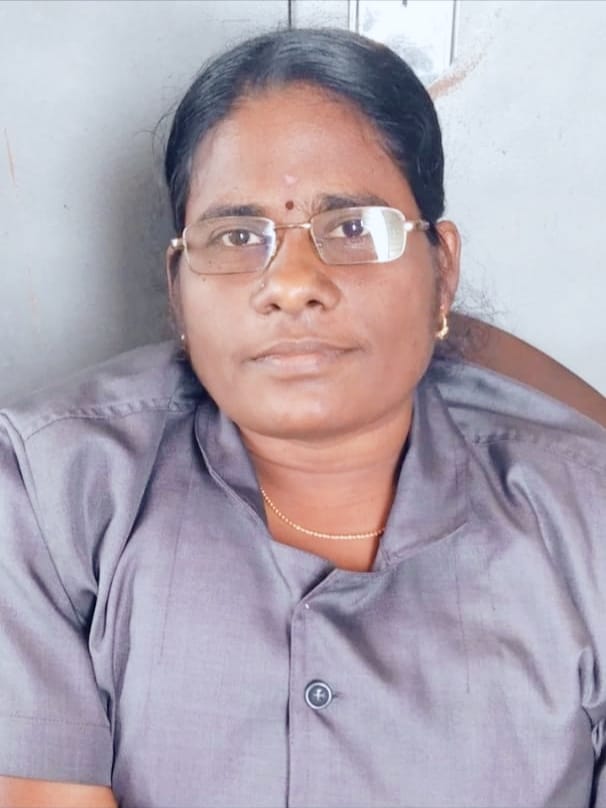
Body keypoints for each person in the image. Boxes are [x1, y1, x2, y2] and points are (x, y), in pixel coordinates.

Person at [0, 26, 605, 808]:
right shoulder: (52, 496)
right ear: (179, 290)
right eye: (236, 235)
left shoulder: (586, 516)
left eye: (351, 228)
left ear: (442, 268)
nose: (291, 283)